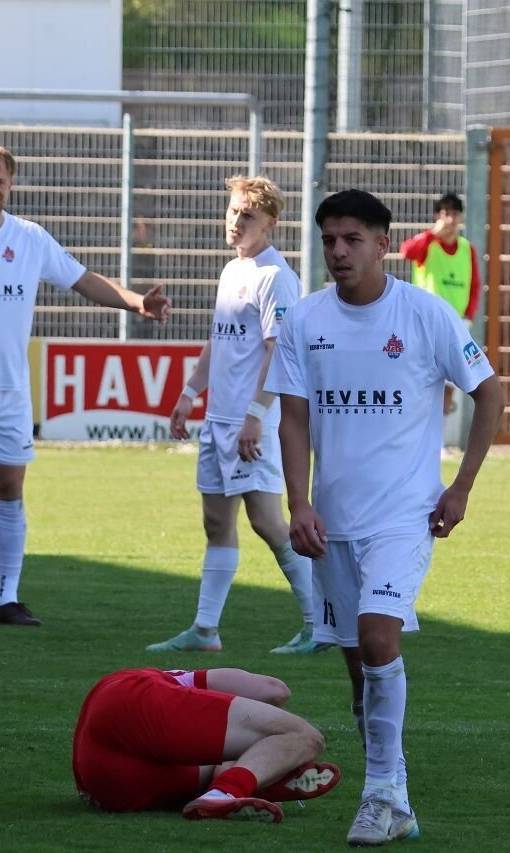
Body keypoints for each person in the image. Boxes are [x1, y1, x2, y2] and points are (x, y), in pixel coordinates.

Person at [266, 189, 504, 845]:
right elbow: (293, 418)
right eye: (329, 241)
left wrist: (461, 487)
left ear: (382, 244)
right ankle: (396, 795)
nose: (339, 251)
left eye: (352, 239)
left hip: (404, 515)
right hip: (332, 523)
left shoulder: (424, 314)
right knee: (360, 675)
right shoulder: (304, 320)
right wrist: (299, 502)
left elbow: (489, 394)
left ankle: (378, 795)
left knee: (377, 638)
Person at [0, 141, 171, 628]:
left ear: (11, 185)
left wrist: (136, 301)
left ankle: (8, 598)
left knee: (10, 487)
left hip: (9, 390)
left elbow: (82, 279)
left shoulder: (29, 238)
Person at [147, 176, 323, 655]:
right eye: (233, 212)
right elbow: (219, 340)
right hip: (219, 419)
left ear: (270, 223)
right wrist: (189, 392)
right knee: (216, 522)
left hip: (252, 421)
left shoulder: (276, 277)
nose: (236, 222)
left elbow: (277, 351)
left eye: (247, 215)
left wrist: (255, 414)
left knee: (268, 521)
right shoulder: (232, 271)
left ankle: (319, 623)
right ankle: (205, 630)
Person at [73, 665, 341, 820]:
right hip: (130, 704)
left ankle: (247, 785)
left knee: (220, 765)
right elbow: (274, 691)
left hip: (106, 786)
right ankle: (228, 792)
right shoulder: (172, 681)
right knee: (305, 737)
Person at [400, 191, 482, 416]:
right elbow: (406, 252)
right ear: (438, 216)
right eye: (446, 213)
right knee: (423, 382)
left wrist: (469, 316)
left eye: (455, 214)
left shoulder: (466, 248)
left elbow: (475, 284)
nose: (450, 219)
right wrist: (432, 234)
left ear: (461, 218)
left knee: (449, 386)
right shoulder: (427, 243)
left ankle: (440, 434)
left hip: (456, 324)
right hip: (426, 324)